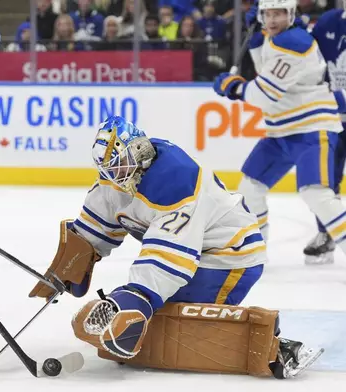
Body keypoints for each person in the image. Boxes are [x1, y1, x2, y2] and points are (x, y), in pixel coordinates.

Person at [29, 115, 322, 379]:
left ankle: (275, 349)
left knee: (176, 329)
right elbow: (96, 228)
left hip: (229, 256)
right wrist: (69, 266)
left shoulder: (177, 180)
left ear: (140, 151)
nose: (116, 176)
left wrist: (138, 297)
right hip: (193, 252)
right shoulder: (115, 180)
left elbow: (168, 259)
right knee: (146, 325)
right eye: (109, 169)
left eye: (120, 166)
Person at [213, 0, 346, 260]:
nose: (273, 20)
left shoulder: (294, 43)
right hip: (280, 131)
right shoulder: (280, 38)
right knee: (250, 187)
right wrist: (255, 42)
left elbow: (264, 93)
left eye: (279, 14)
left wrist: (234, 87)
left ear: (292, 14)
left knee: (316, 194)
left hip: (311, 129)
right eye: (268, 14)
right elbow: (266, 65)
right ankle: (255, 250)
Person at [299, 5, 346, 265]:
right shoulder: (329, 21)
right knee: (325, 181)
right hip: (333, 119)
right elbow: (305, 53)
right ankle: (325, 233)